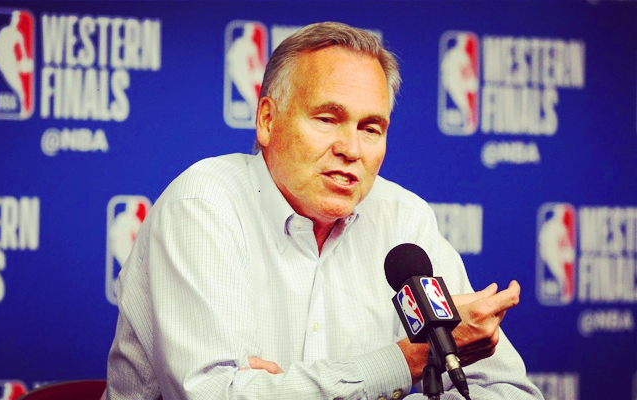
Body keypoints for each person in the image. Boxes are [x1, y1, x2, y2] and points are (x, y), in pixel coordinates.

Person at [104, 22, 543, 400]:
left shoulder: (404, 220)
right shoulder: (203, 207)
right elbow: (214, 394)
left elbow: (509, 391)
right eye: (327, 119)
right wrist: (403, 363)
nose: (351, 149)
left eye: (371, 128)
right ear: (267, 120)